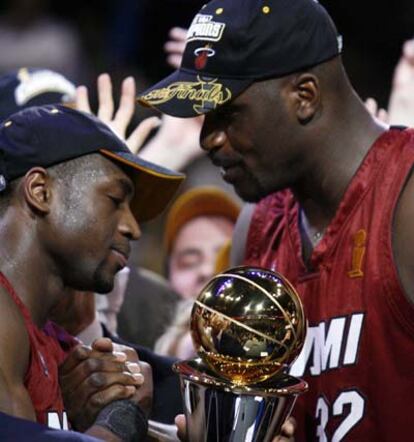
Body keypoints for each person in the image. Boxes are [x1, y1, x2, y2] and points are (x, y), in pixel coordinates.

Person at [138, 0, 414, 440]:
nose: (209, 138)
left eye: (226, 113)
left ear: (304, 96)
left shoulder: (405, 199)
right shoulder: (259, 224)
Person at [0, 104, 184, 439]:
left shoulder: (57, 351)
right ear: (41, 192)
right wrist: (123, 420)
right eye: (116, 200)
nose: (133, 228)